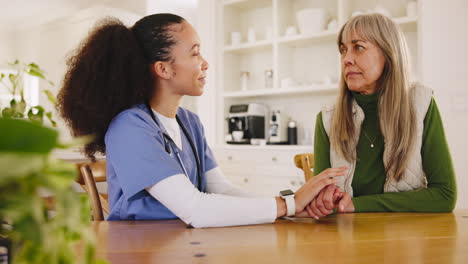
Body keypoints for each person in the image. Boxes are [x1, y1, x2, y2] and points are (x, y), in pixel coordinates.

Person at [57, 13, 345, 228]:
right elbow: (195, 208)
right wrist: (290, 203)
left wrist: (288, 205)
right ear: (163, 69)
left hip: (188, 242)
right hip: (141, 251)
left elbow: (220, 189)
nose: (205, 63)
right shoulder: (130, 127)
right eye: (195, 53)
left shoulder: (188, 121)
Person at [305, 13, 457, 219]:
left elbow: (444, 195)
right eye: (343, 50)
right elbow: (322, 200)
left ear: (388, 54)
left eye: (358, 47)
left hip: (405, 241)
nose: (346, 59)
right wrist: (322, 200)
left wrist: (358, 205)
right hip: (345, 242)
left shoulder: (420, 103)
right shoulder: (327, 118)